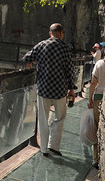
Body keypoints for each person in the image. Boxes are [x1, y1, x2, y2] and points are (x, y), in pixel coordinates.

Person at [22, 23, 75, 157]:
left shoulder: (41, 45)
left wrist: (30, 63)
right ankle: (54, 146)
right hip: (59, 90)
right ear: (61, 33)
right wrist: (71, 89)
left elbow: (26, 57)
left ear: (50, 33)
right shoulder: (65, 48)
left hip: (44, 88)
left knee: (43, 119)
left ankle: (44, 149)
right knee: (60, 117)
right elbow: (70, 70)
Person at [87, 39, 105, 169]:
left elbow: (93, 83)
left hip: (98, 97)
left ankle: (96, 159)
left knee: (96, 127)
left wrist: (89, 99)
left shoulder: (99, 64)